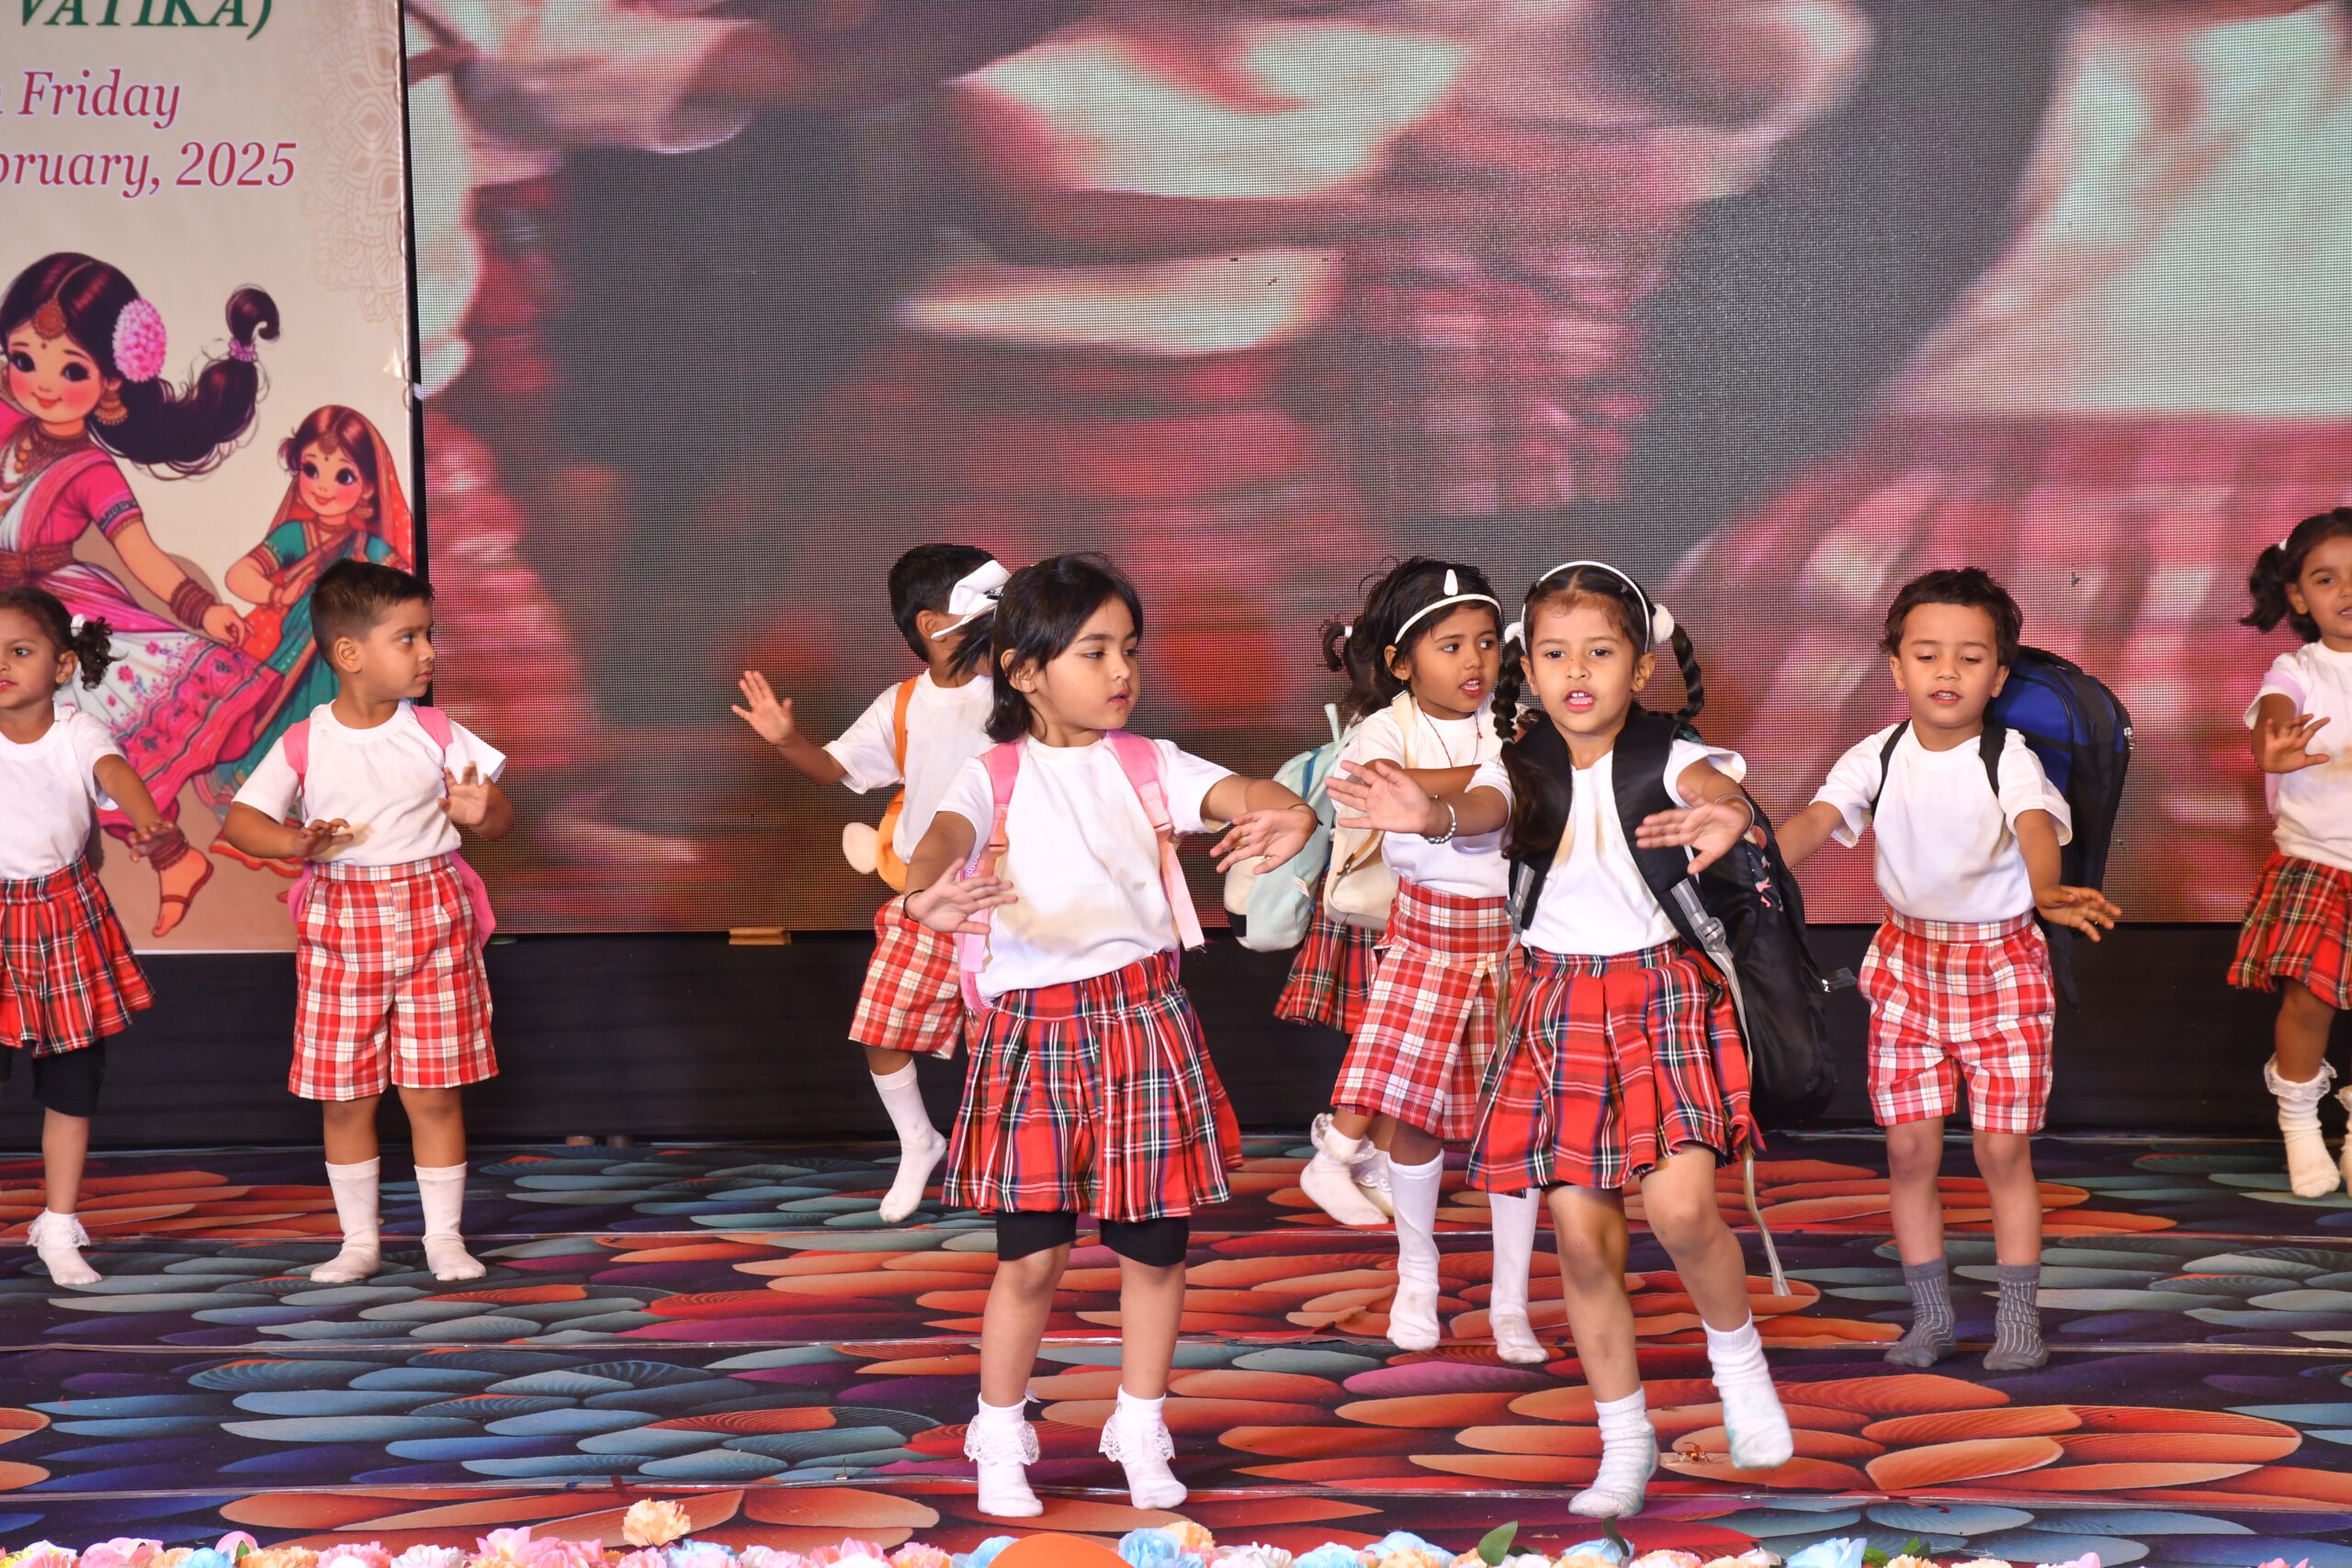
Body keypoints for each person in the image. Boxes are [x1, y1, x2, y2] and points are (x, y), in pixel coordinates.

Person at [1330, 560, 1790, 1518]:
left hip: (1660, 999)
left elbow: (1715, 787)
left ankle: (1739, 1366)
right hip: (1558, 1005)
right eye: (1553, 653)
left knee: (1681, 1211)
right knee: (1581, 1242)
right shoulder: (1518, 761)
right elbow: (1485, 808)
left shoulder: (1665, 752)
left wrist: (1730, 813)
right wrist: (1432, 814)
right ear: (1528, 671)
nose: (1576, 671)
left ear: (1640, 667)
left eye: (1600, 651)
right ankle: (1624, 1440)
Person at [898, 554, 1315, 1517]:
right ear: (1024, 669)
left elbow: (1245, 791)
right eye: (1093, 651)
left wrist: (1290, 810)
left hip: (1143, 1024)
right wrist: (926, 893)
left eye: (1129, 648)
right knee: (1030, 1257)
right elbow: (941, 840)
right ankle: (1000, 1435)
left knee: (1155, 1249)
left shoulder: (1148, 763)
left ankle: (1140, 1425)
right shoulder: (992, 774)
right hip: (1031, 1035)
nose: (1122, 669)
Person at [1774, 568, 2119, 1372]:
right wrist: (1753, 866)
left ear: (1998, 675)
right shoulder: (1879, 753)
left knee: (2002, 1153)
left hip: (2002, 965)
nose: (1947, 671)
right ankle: (1930, 1319)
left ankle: (2018, 1320)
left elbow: (2034, 825)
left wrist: (2046, 889)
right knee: (1909, 1152)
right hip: (1907, 963)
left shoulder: (2010, 757)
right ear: (1897, 667)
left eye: (1971, 656)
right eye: (1927, 654)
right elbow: (1819, 818)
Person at [220, 561, 513, 1286]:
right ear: (349, 653)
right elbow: (243, 821)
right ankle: (359, 1241)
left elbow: (496, 817)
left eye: (428, 635)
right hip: (342, 926)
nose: (428, 652)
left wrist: (484, 812)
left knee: (433, 1090)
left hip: (433, 917)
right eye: (408, 638)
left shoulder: (437, 731)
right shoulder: (306, 740)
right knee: (346, 1093)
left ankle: (443, 1236)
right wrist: (294, 841)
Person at [1288, 557, 1545, 1365]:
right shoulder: (1385, 727)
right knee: (1414, 1119)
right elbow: (1366, 784)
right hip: (1426, 941)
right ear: (1401, 661)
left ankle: (1511, 1302)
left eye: (1487, 643)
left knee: (1518, 1124)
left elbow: (1524, 788)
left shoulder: (1515, 718)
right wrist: (1502, 771)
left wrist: (1483, 775)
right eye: (1450, 646)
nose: (1475, 662)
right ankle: (1417, 1276)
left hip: (1516, 940)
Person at [0, 252, 281, 936]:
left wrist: (202, 608)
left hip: (60, 617)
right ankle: (174, 860)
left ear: (111, 382)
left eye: (71, 370)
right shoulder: (7, 425)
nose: (43, 384)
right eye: (24, 359)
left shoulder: (91, 469)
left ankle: (170, 857)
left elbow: (143, 556)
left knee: (102, 741)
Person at [732, 544, 1001, 1223]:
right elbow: (834, 769)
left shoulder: (1018, 687)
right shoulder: (902, 704)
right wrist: (787, 740)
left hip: (1007, 894)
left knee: (1003, 1041)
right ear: (934, 624)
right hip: (925, 895)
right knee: (883, 1027)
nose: (1004, 611)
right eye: (988, 599)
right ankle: (919, 1141)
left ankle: (1003, 1162)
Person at [0, 587, 180, 1286]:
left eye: (20, 651)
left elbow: (116, 774)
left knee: (71, 1083)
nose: (3, 665)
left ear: (64, 665)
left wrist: (148, 820)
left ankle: (58, 1223)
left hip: (62, 918)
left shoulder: (77, 732)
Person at [209, 408, 416, 856]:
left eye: (343, 475)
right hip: (293, 667)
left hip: (352, 671)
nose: (323, 486)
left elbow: (406, 592)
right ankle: (294, 825)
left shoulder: (367, 547)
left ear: (369, 486)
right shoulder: (294, 536)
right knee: (292, 736)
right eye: (311, 469)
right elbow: (240, 575)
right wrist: (277, 594)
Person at [2233, 508, 2352, 1198]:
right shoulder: (2296, 667)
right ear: (2299, 598)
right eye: (2326, 579)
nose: (2347, 590)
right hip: (2319, 861)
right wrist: (2272, 744)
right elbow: (2274, 715)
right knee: (2309, 1003)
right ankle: (2300, 1120)